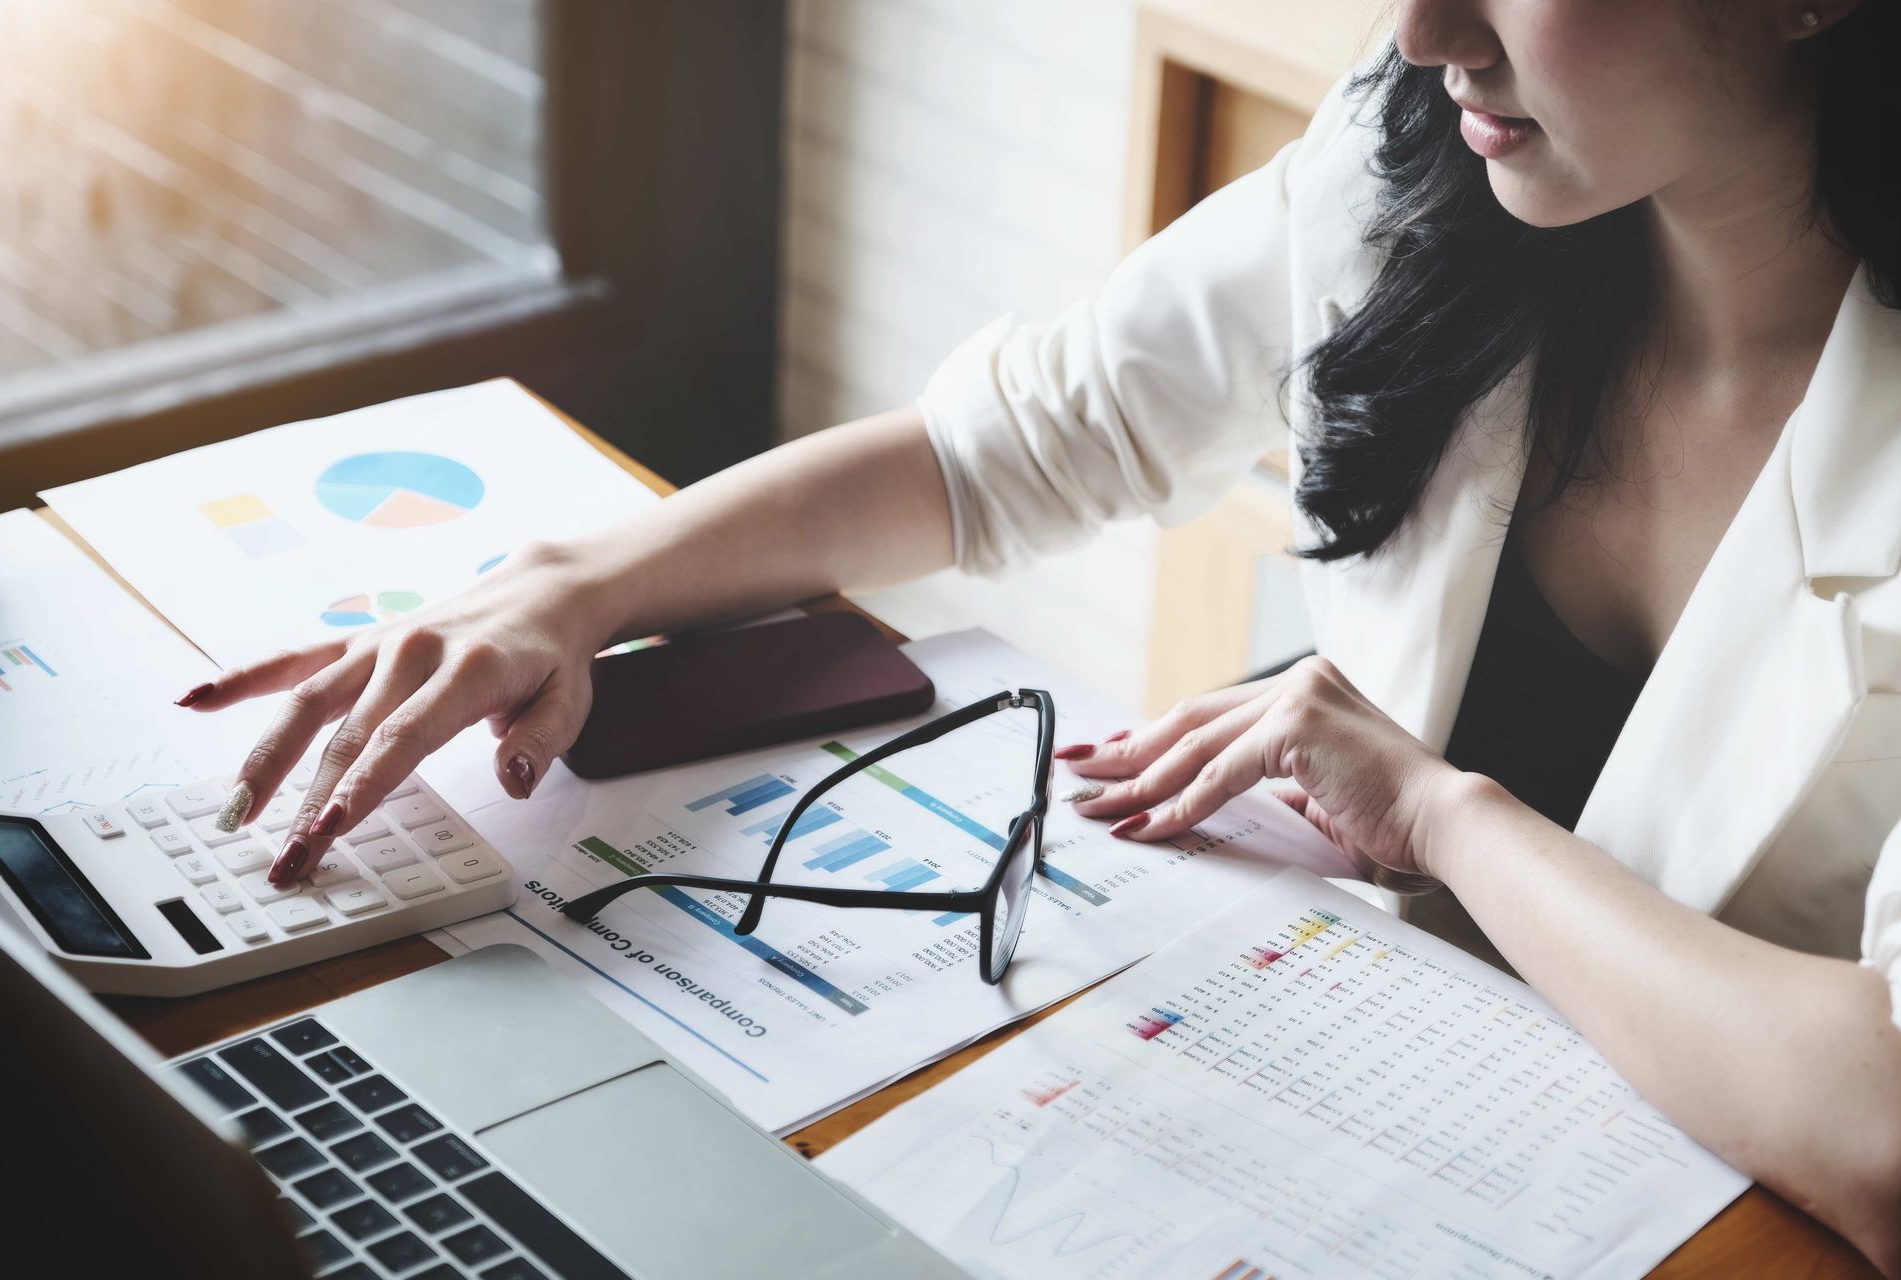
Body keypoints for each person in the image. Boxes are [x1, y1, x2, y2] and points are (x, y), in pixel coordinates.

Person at [181, 1, 1901, 1266]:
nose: (1423, 26)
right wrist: (580, 587)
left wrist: (1445, 809)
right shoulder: (1432, 165)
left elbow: (1882, 1131)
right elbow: (1006, 446)